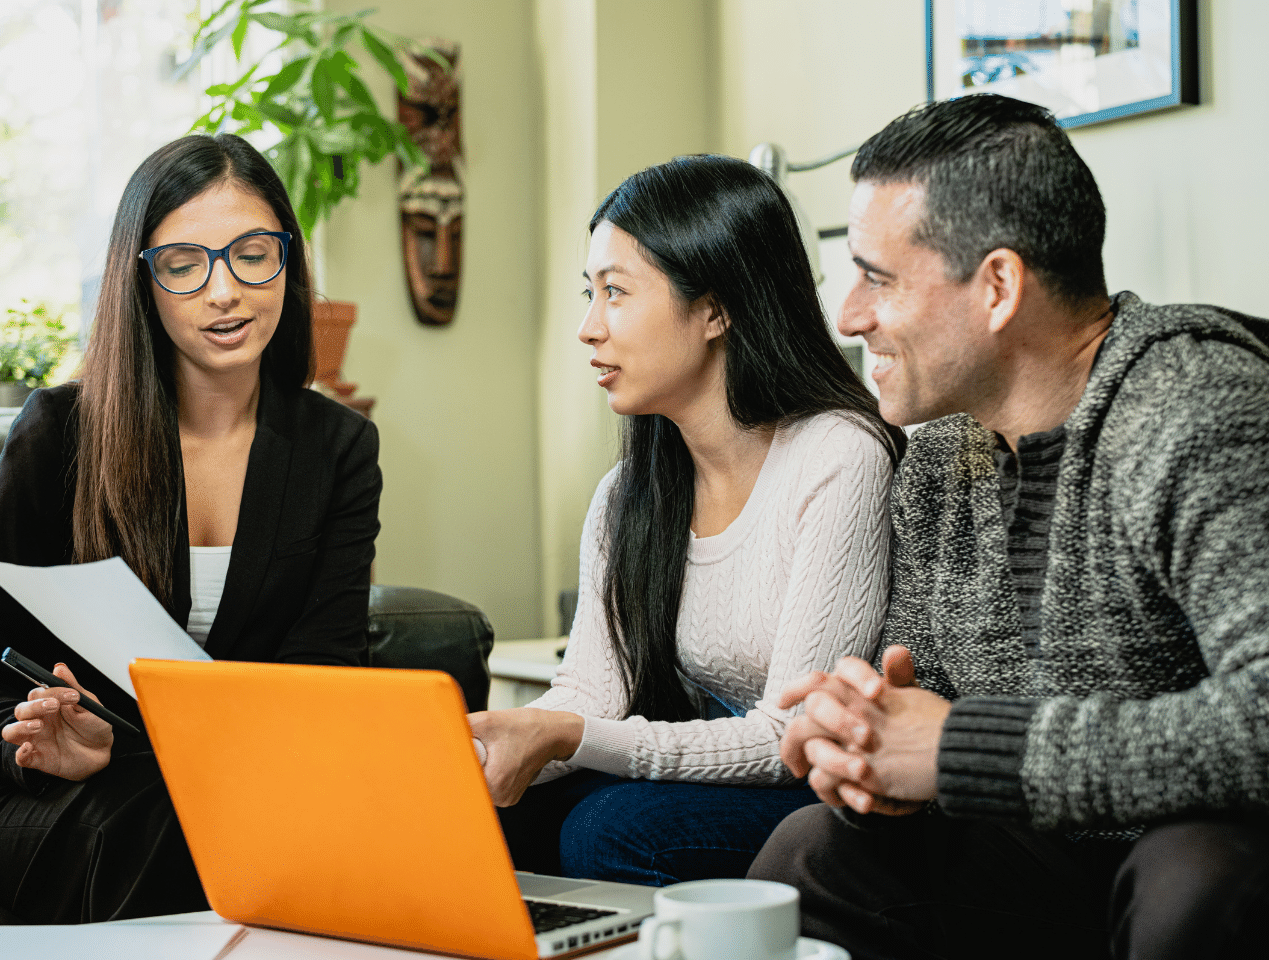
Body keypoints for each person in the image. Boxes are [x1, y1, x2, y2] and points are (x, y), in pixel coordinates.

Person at [748, 94, 1269, 960]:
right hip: (1049, 859)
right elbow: (932, 716)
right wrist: (873, 755)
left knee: (1193, 876)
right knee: (811, 851)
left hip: (1207, 857)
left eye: (877, 277)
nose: (847, 316)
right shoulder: (939, 460)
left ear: (997, 286)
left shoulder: (1193, 406)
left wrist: (959, 748)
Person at [0, 134, 381, 923]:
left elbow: (326, 676)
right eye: (184, 264)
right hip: (42, 803)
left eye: (251, 254)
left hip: (230, 793)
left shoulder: (337, 447)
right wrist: (44, 747)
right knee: (180, 826)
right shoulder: (57, 435)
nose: (225, 292)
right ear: (141, 281)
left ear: (288, 260)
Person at [469, 154, 904, 886]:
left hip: (816, 781)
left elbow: (786, 737)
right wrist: (492, 750)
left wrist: (566, 734)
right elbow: (588, 694)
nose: (587, 328)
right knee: (492, 819)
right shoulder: (629, 493)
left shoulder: (837, 454)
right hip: (728, 768)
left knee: (609, 831)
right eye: (589, 293)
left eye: (615, 293)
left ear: (714, 309)